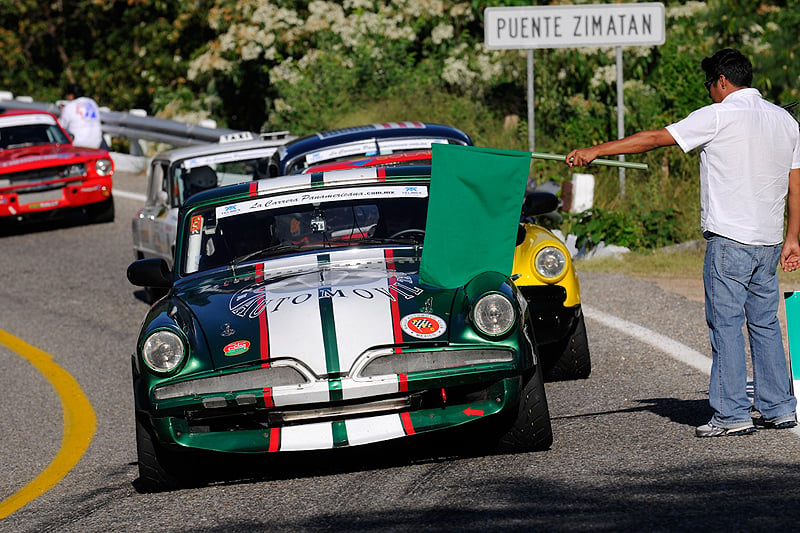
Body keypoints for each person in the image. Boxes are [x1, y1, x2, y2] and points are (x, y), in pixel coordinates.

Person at [565, 48, 800, 438]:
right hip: (769, 242)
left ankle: (731, 415)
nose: (710, 91)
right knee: (764, 325)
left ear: (722, 81)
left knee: (725, 326)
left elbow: (656, 139)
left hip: (730, 241)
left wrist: (596, 151)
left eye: (710, 85)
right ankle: (779, 409)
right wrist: (793, 237)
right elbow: (796, 183)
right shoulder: (784, 120)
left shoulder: (718, 115)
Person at [59, 83, 104, 149]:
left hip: (78, 145)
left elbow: (61, 126)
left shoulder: (70, 106)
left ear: (71, 96)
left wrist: (62, 112)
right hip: (96, 144)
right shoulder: (92, 102)